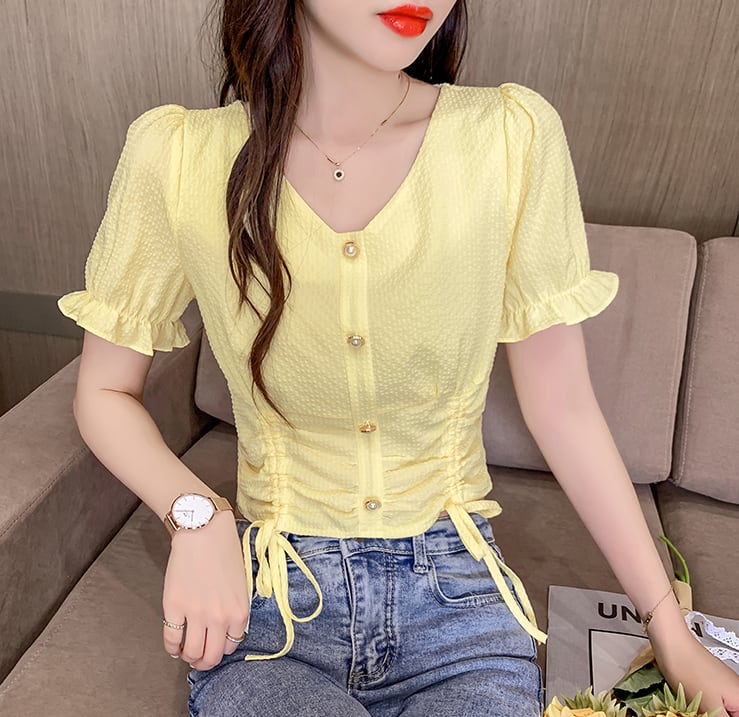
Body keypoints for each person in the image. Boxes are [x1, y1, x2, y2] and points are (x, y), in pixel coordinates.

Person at [58, 1, 739, 715]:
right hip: (271, 607)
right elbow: (103, 390)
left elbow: (563, 408)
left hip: (460, 609)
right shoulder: (176, 156)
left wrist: (671, 631)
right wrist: (195, 517)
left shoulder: (510, 138)